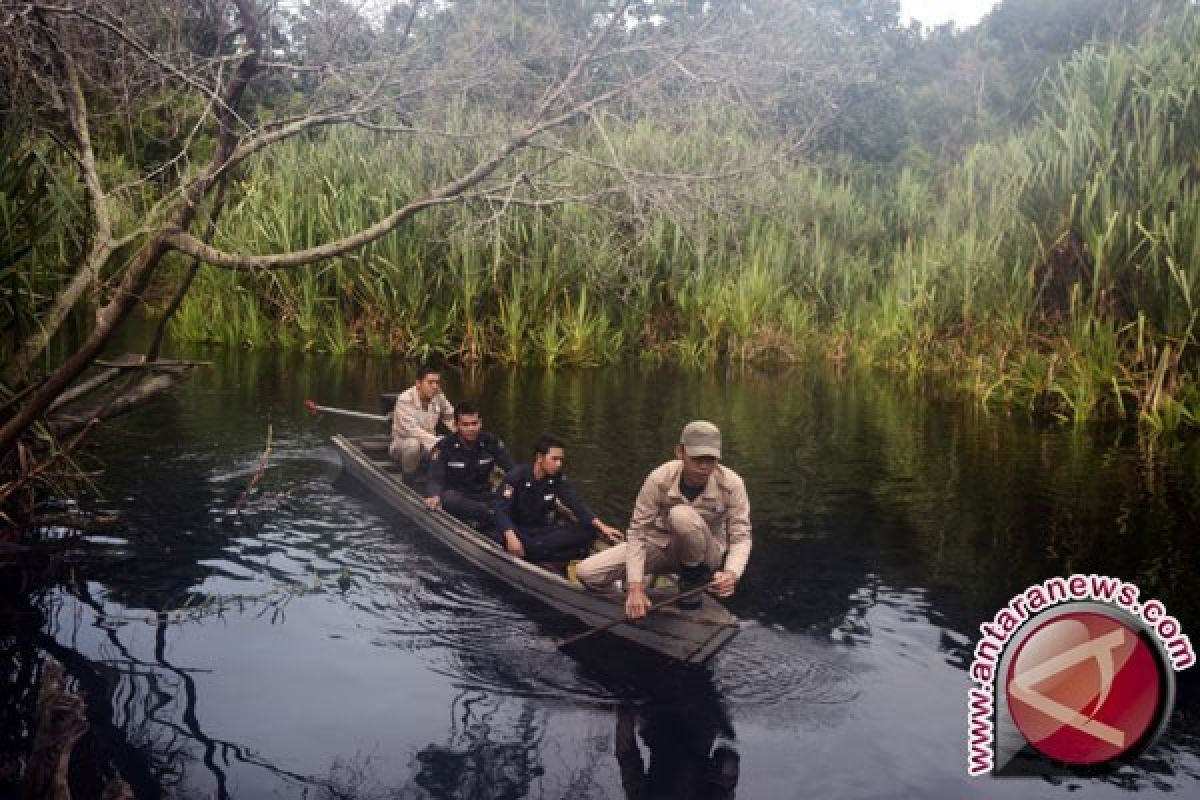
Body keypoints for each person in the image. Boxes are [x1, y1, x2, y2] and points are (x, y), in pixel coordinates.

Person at [575, 420, 751, 618]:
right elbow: (638, 533)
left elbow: (741, 537)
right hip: (660, 546)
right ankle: (632, 604)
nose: (703, 466)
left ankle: (691, 580)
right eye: (697, 458)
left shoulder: (732, 484)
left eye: (710, 459)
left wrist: (731, 573)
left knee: (681, 515)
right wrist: (635, 587)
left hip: (704, 557)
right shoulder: (659, 478)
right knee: (587, 573)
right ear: (680, 452)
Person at [492, 433, 624, 563]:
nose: (559, 464)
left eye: (561, 459)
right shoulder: (516, 477)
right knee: (531, 547)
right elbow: (500, 510)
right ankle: (572, 553)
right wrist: (511, 537)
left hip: (542, 531)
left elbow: (575, 502)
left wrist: (603, 527)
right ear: (539, 457)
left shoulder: (556, 478)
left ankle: (552, 553)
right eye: (554, 459)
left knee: (590, 531)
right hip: (519, 531)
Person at [424, 401, 513, 529]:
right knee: (448, 499)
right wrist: (433, 494)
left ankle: (492, 514)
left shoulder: (491, 442)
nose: (471, 429)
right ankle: (492, 515)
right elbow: (435, 477)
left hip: (484, 495)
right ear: (456, 425)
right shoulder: (444, 447)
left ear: (480, 423)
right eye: (465, 425)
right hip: (459, 497)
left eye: (474, 423)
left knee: (511, 489)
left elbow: (511, 469)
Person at [389, 365, 456, 476]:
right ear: (418, 383)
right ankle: (408, 478)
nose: (435, 386)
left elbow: (451, 417)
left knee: (454, 443)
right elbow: (411, 430)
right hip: (403, 444)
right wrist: (438, 443)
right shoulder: (405, 399)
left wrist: (464, 434)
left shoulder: (439, 395)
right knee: (413, 445)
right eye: (430, 382)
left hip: (429, 444)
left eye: (437, 382)